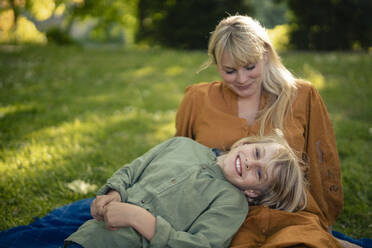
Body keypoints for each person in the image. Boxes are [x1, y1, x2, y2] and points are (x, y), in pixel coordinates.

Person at [175, 15, 345, 247]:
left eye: (250, 67)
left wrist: (326, 222)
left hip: (292, 216)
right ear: (216, 64)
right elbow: (176, 158)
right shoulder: (197, 98)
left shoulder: (302, 95)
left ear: (265, 54)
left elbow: (322, 163)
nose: (242, 79)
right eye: (230, 71)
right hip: (220, 220)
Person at [64, 134, 307, 248]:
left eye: (260, 174)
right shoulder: (181, 144)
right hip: (92, 235)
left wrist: (139, 219)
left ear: (254, 193)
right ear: (245, 143)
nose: (250, 163)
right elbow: (134, 169)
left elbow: (201, 246)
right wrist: (112, 193)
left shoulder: (232, 203)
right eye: (255, 153)